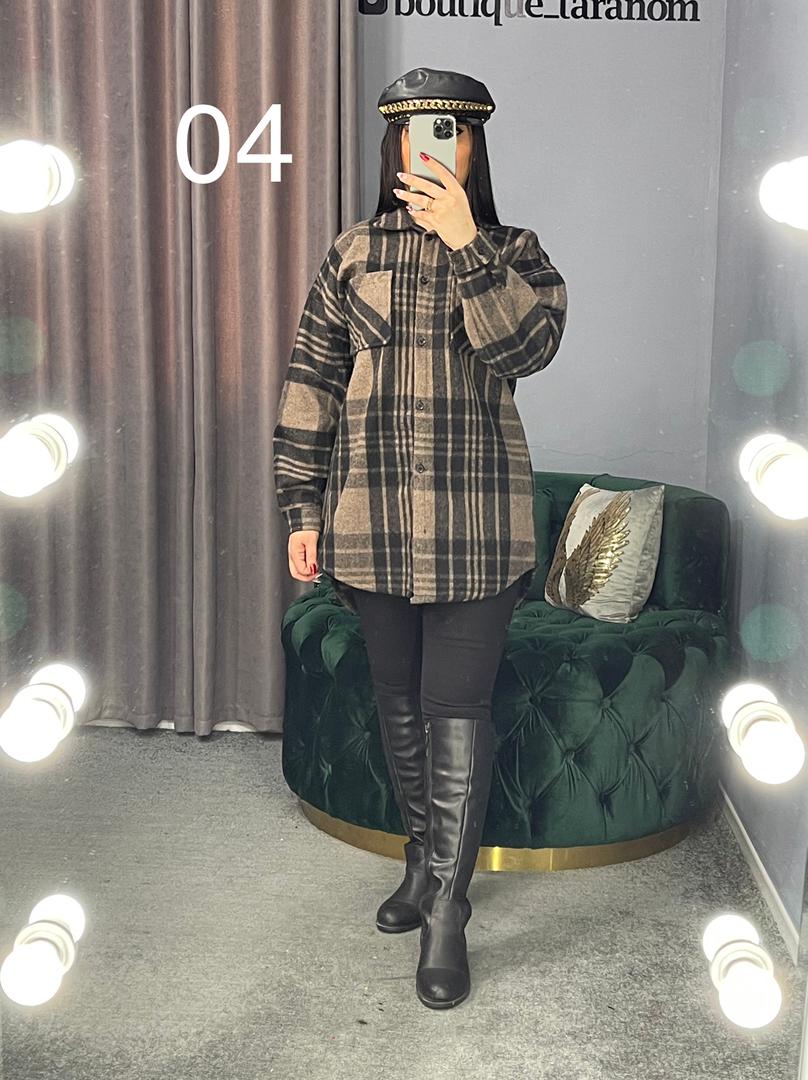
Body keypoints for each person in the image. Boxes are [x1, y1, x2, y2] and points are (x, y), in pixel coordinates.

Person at [273, 66, 568, 1009]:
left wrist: (467, 244)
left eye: (453, 130)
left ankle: (447, 907)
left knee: (455, 709)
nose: (435, 145)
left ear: (474, 147)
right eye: (417, 131)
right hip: (371, 525)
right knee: (397, 701)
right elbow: (312, 384)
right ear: (393, 145)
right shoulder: (352, 253)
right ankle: (420, 861)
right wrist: (301, 509)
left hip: (480, 530)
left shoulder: (517, 253)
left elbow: (526, 352)